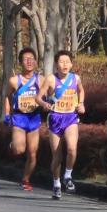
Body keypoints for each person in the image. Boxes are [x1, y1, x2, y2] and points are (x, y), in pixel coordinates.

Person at [35, 50, 85, 200]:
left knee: (72, 148)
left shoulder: (75, 78)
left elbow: (81, 91)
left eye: (67, 62)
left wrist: (81, 104)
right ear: (56, 65)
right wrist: (44, 104)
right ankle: (56, 184)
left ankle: (68, 176)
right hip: (55, 118)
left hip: (71, 117)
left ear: (71, 64)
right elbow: (38, 97)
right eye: (61, 62)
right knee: (57, 154)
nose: (64, 65)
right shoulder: (50, 79)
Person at [4, 47, 44, 191]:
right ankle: (12, 146)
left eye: (32, 59)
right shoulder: (14, 81)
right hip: (20, 117)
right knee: (20, 149)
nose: (29, 61)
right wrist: (8, 114)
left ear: (36, 61)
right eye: (26, 59)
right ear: (21, 62)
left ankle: (26, 179)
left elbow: (51, 94)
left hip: (34, 118)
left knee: (32, 153)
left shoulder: (41, 80)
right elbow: (7, 97)